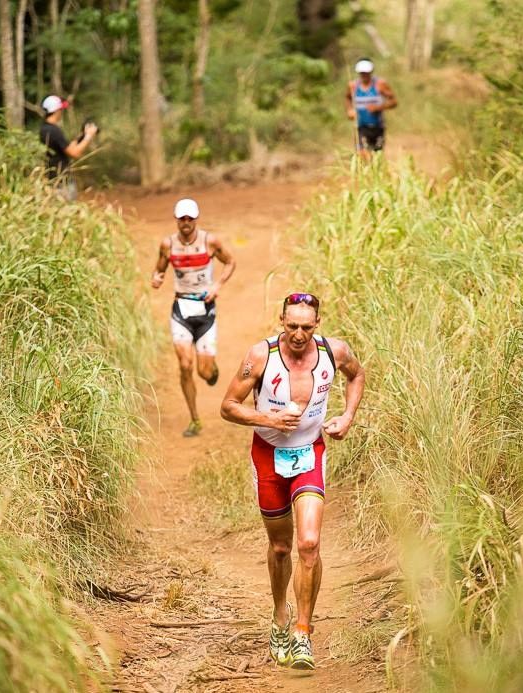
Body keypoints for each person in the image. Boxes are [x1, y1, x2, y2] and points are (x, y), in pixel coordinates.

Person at [220, 293, 365, 670]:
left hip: (309, 454)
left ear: (317, 324)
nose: (298, 334)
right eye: (292, 326)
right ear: (281, 321)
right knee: (282, 548)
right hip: (268, 455)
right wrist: (269, 420)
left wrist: (347, 417)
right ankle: (279, 615)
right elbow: (228, 406)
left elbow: (357, 375)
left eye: (306, 326)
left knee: (310, 543)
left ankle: (302, 632)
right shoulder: (261, 356)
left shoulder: (335, 352)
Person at [152, 198, 236, 437]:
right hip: (181, 309)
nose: (186, 223)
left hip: (206, 309)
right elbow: (159, 269)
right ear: (176, 220)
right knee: (185, 364)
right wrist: (156, 278)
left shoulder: (210, 242)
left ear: (196, 218)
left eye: (190, 218)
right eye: (182, 219)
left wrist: (218, 285)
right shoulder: (168, 245)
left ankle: (211, 370)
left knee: (204, 372)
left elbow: (230, 262)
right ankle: (195, 419)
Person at [39, 95, 98, 201]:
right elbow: (74, 153)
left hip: (54, 180)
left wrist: (81, 136)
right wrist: (89, 136)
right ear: (56, 111)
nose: (62, 112)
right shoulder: (53, 131)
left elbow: (67, 147)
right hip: (61, 183)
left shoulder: (46, 129)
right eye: (61, 109)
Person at [345, 58, 397, 158]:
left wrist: (379, 107)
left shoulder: (380, 84)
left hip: (378, 127)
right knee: (363, 155)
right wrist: (349, 110)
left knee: (377, 156)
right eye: (362, 73)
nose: (364, 75)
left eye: (366, 73)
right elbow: (347, 98)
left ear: (371, 72)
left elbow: (393, 102)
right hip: (361, 127)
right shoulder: (353, 86)